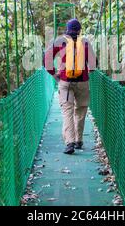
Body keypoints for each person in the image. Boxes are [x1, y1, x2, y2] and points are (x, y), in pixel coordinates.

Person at [44, 19, 96, 154]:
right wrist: (88, 72)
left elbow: (46, 59)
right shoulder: (84, 42)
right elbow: (93, 64)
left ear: (67, 29)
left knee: (67, 112)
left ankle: (70, 143)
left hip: (65, 82)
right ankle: (79, 140)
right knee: (80, 110)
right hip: (82, 82)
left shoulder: (59, 41)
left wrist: (54, 74)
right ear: (79, 30)